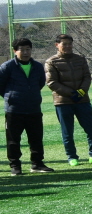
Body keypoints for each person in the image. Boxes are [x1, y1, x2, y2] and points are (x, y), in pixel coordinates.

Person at [45, 33, 92, 165]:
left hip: (83, 100)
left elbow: (87, 77)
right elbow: (52, 83)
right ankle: (72, 157)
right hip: (63, 102)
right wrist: (72, 93)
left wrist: (81, 91)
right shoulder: (51, 62)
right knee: (67, 131)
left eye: (70, 44)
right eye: (64, 44)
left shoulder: (80, 59)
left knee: (91, 128)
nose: (68, 46)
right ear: (57, 45)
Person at [2, 38, 54, 175]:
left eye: (28, 49)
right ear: (15, 51)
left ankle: (37, 164)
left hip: (33, 109)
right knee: (13, 140)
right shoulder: (7, 67)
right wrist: (11, 97)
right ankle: (15, 166)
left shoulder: (37, 66)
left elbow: (40, 83)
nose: (25, 52)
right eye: (22, 50)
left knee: (36, 138)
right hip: (14, 110)